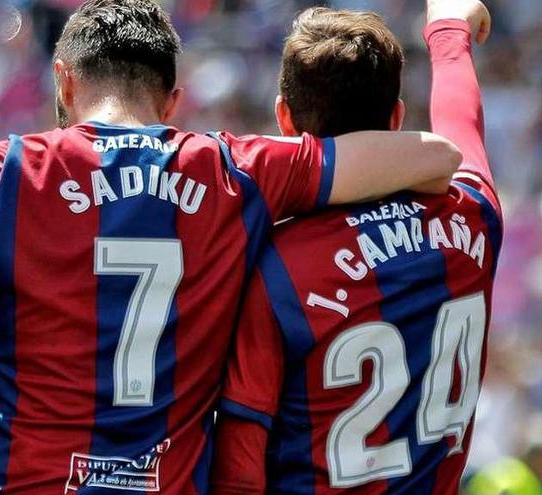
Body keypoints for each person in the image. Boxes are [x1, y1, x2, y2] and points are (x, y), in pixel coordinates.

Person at [0, 0, 462, 493]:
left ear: (65, 84)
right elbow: (436, 158)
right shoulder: (233, 170)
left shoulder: (4, 174)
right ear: (173, 99)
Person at [211, 0, 500, 493]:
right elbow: (461, 123)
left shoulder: (276, 266)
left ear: (284, 119)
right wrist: (448, 33)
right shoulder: (474, 217)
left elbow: (238, 467)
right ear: (397, 117)